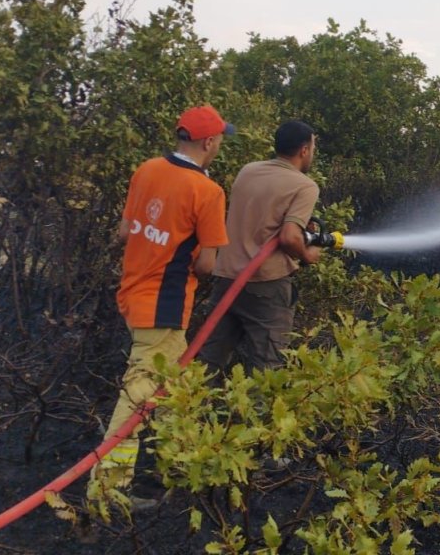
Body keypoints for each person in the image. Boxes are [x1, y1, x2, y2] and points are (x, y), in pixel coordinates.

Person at [89, 105, 234, 506]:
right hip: (163, 306)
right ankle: (107, 489)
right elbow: (206, 264)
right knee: (137, 395)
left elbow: (124, 232)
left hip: (133, 292)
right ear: (209, 142)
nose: (220, 143)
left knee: (176, 386)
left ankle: (173, 467)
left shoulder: (147, 169)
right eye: (220, 137)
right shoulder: (208, 191)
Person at [197, 119, 322, 375]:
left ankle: (188, 412)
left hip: (227, 277)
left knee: (208, 361)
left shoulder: (249, 170)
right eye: (313, 147)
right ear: (304, 150)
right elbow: (288, 237)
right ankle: (258, 414)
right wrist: (307, 254)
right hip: (265, 283)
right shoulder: (305, 185)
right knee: (268, 367)